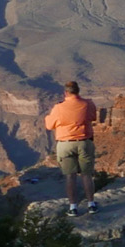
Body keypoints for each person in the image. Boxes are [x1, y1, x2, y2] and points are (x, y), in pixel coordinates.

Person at [45, 79, 98, 214]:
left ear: (65, 93)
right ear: (78, 91)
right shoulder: (88, 104)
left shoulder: (59, 108)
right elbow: (93, 117)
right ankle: (91, 204)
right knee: (87, 175)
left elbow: (49, 125)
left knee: (70, 176)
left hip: (65, 144)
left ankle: (73, 207)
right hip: (84, 142)